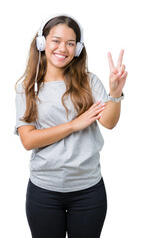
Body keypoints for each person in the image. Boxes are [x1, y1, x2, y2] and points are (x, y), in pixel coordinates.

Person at [14, 14, 127, 238]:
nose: (62, 48)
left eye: (70, 43)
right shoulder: (27, 88)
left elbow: (109, 123)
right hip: (43, 191)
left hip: (88, 190)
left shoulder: (89, 81)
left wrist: (114, 93)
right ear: (42, 42)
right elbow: (28, 140)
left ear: (77, 48)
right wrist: (74, 125)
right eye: (56, 40)